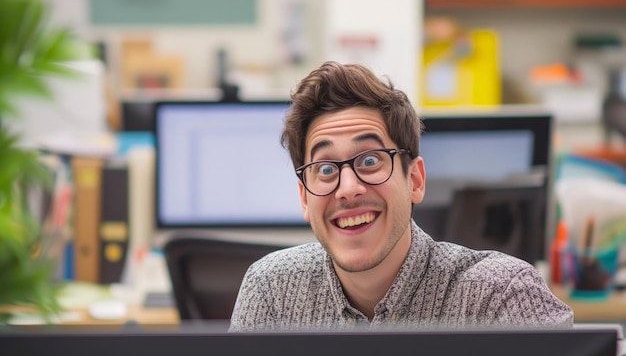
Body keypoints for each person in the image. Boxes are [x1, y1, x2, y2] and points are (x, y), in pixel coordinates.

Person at [229, 61, 573, 331]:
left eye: (370, 160)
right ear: (304, 198)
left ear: (415, 180)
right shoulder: (273, 292)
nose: (348, 188)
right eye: (327, 169)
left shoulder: (498, 295)